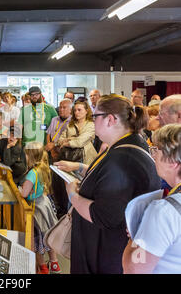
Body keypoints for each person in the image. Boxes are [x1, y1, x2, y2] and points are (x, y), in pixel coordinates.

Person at [55, 94, 161, 274]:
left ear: (110, 119)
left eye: (95, 117)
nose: (93, 121)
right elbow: (107, 179)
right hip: (108, 251)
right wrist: (79, 167)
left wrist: (73, 195)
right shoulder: (127, 147)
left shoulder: (123, 159)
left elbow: (104, 215)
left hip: (105, 256)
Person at [123, 124, 181, 274]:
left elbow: (134, 268)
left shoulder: (164, 210)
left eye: (157, 150)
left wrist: (134, 238)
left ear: (174, 162)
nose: (153, 156)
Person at [18, 141, 61, 274]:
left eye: (26, 154)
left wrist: (19, 188)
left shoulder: (32, 173)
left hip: (37, 209)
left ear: (30, 156)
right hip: (45, 204)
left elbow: (24, 193)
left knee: (38, 239)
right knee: (48, 235)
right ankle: (54, 263)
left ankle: (42, 267)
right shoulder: (43, 168)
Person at [45, 98, 72, 218]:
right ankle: (57, 207)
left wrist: (56, 147)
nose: (61, 109)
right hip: (53, 153)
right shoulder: (54, 119)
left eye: (64, 107)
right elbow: (49, 135)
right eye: (60, 107)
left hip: (65, 154)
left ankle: (66, 210)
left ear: (70, 109)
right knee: (54, 181)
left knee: (64, 183)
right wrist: (51, 150)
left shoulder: (72, 122)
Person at [57, 100, 97, 165]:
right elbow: (60, 140)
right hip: (69, 157)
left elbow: (80, 142)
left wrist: (68, 141)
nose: (76, 112)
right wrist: (74, 139)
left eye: (79, 110)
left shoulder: (91, 125)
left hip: (86, 159)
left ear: (86, 111)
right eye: (75, 110)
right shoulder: (70, 125)